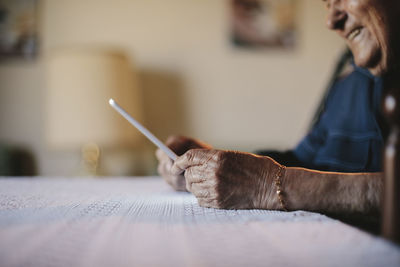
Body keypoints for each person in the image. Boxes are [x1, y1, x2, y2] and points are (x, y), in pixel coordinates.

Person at [156, 0, 400, 216]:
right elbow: (302, 160)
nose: (330, 20)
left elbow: (279, 179)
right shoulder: (350, 82)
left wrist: (272, 186)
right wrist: (209, 166)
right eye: (327, 3)